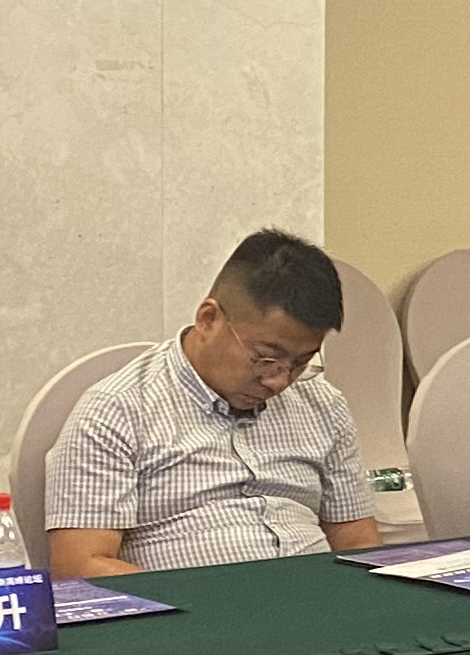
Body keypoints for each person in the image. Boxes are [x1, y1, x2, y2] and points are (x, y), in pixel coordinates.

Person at [44, 229, 387, 576]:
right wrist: (192, 603)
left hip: (319, 594)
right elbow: (80, 567)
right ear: (209, 319)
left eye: (300, 363)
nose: (279, 382)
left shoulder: (322, 404)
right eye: (266, 358)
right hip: (188, 605)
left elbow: (357, 542)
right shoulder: (117, 411)